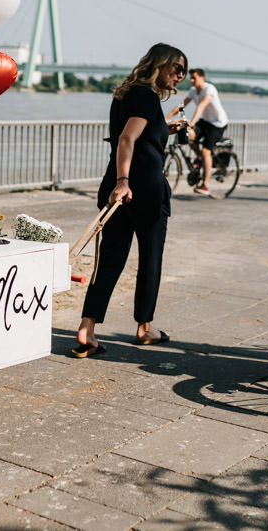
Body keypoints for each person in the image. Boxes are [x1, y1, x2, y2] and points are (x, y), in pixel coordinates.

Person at [72, 43, 188, 357]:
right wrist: (126, 181)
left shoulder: (123, 95)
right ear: (159, 64)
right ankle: (144, 328)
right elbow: (127, 138)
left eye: (184, 71)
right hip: (143, 190)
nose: (181, 75)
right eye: (176, 68)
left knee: (108, 261)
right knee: (150, 259)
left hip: (116, 188)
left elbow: (134, 136)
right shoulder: (148, 97)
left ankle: (87, 328)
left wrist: (166, 130)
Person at [183, 68, 229, 196]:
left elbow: (201, 106)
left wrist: (191, 124)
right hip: (205, 121)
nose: (192, 80)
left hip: (217, 124)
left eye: (194, 78)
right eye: (190, 78)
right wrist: (166, 117)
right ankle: (200, 158)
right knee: (189, 137)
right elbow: (182, 105)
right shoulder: (192, 91)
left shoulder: (209, 89)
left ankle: (205, 185)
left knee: (206, 151)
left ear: (202, 78)